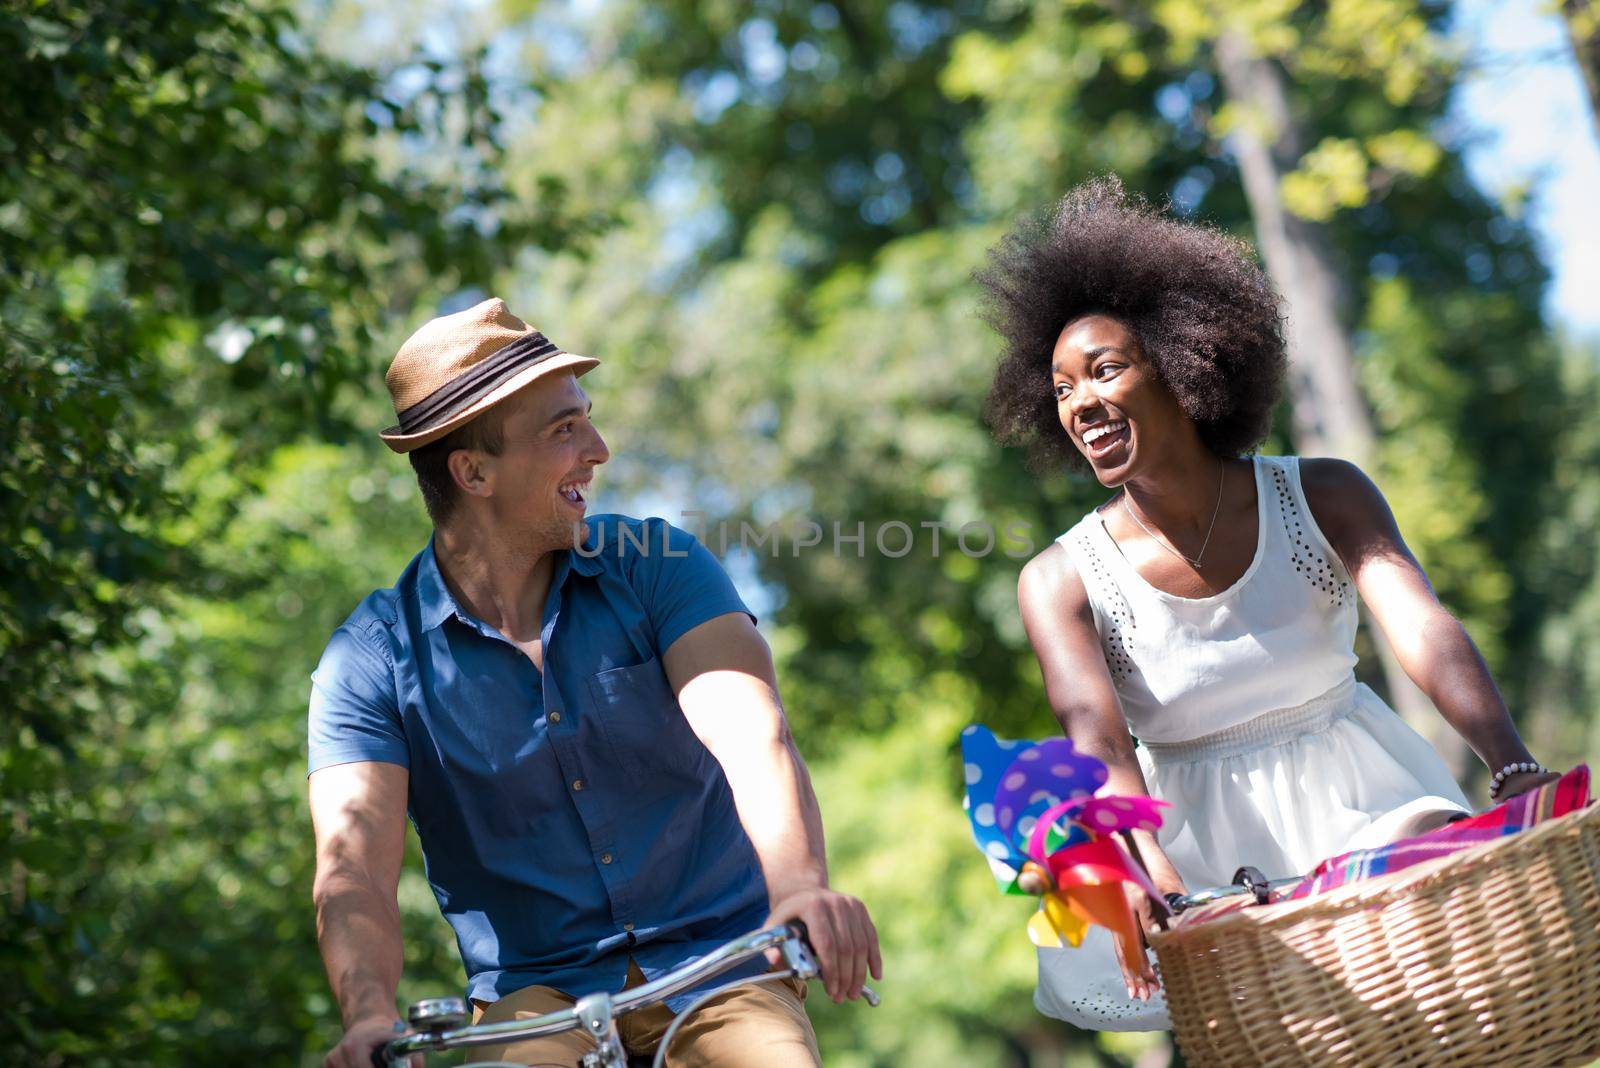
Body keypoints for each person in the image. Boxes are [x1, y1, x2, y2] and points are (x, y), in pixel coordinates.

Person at [978, 178, 1558, 1032]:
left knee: (1437, 987)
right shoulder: (1059, 579)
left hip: (1369, 799)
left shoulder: (1323, 494)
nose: (1080, 403)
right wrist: (1147, 871)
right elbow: (1096, 739)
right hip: (1199, 849)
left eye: (1104, 370)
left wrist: (1509, 763)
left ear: (1180, 363)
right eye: (1062, 387)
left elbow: (1422, 630)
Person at [308, 298, 880, 1067]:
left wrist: (800, 887)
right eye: (563, 431)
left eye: (587, 419)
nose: (599, 449)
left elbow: (751, 732)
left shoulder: (657, 565)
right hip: (535, 997)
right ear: (473, 471)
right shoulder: (370, 660)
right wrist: (371, 1014)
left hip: (723, 963)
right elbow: (353, 871)